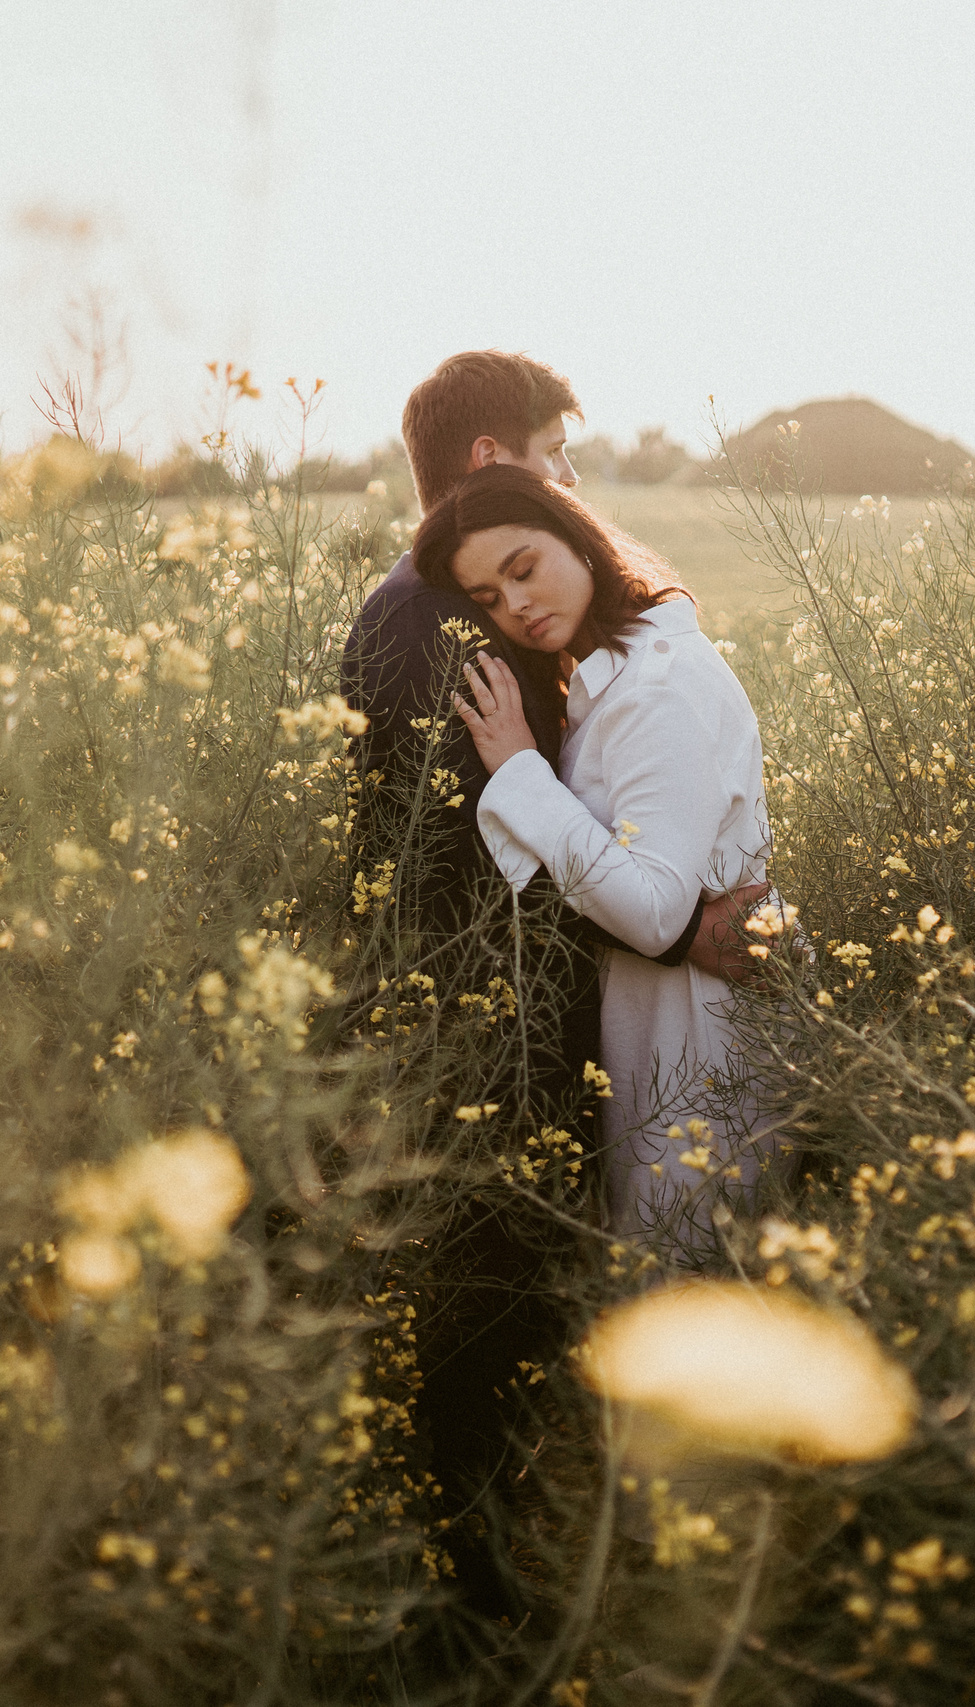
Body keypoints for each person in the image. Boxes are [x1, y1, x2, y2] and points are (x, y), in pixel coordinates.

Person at [335, 352, 762, 1626]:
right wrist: (682, 928)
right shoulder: (437, 626)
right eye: (556, 455)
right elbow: (480, 866)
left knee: (580, 1294)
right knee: (493, 1309)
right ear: (493, 462)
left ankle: (577, 1575)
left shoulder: (437, 608)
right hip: (485, 1036)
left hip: (525, 1026)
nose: (571, 481)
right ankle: (490, 1601)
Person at [418, 464, 774, 1243]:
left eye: (523, 569)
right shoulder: (615, 675)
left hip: (696, 1034)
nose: (515, 605)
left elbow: (654, 911)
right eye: (488, 598)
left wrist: (520, 770)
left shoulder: (655, 687)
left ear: (577, 537)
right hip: (660, 1022)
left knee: (690, 1269)